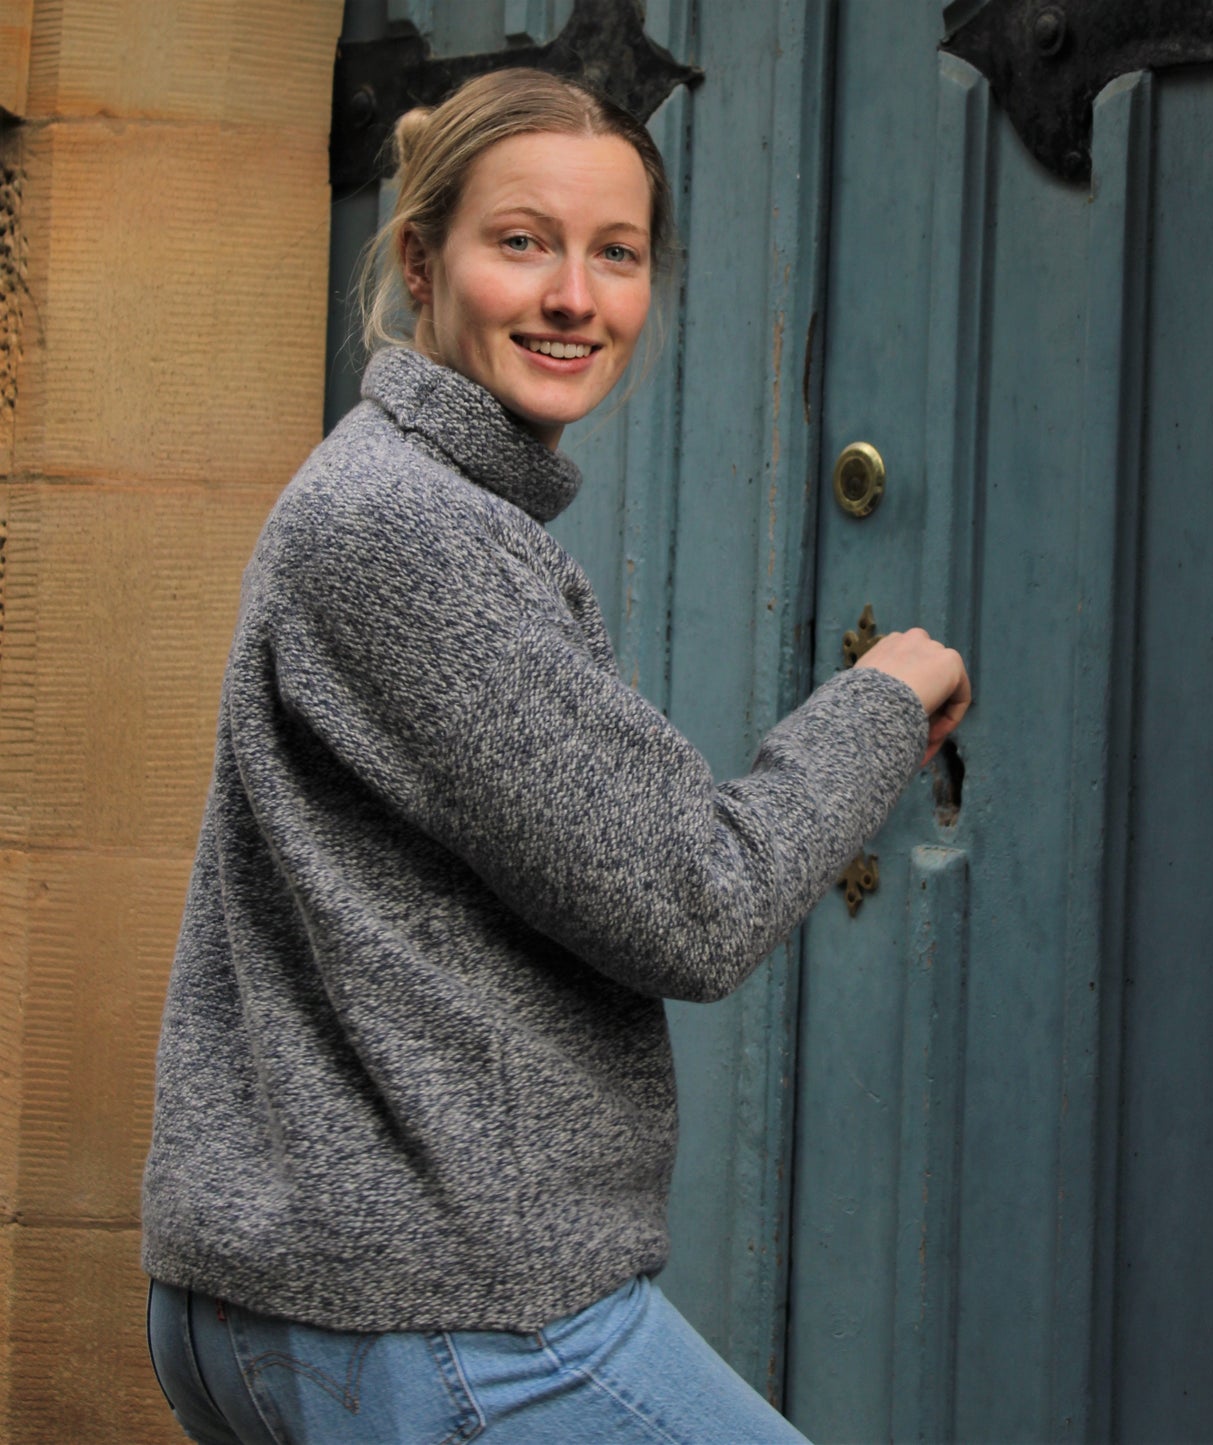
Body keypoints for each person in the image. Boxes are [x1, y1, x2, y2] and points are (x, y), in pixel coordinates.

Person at [142, 68, 970, 1445]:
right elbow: (692, 901)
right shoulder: (411, 528)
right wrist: (881, 696)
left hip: (324, 1301)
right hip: (435, 1317)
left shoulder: (408, 497)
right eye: (522, 242)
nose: (575, 296)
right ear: (421, 260)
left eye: (618, 252)